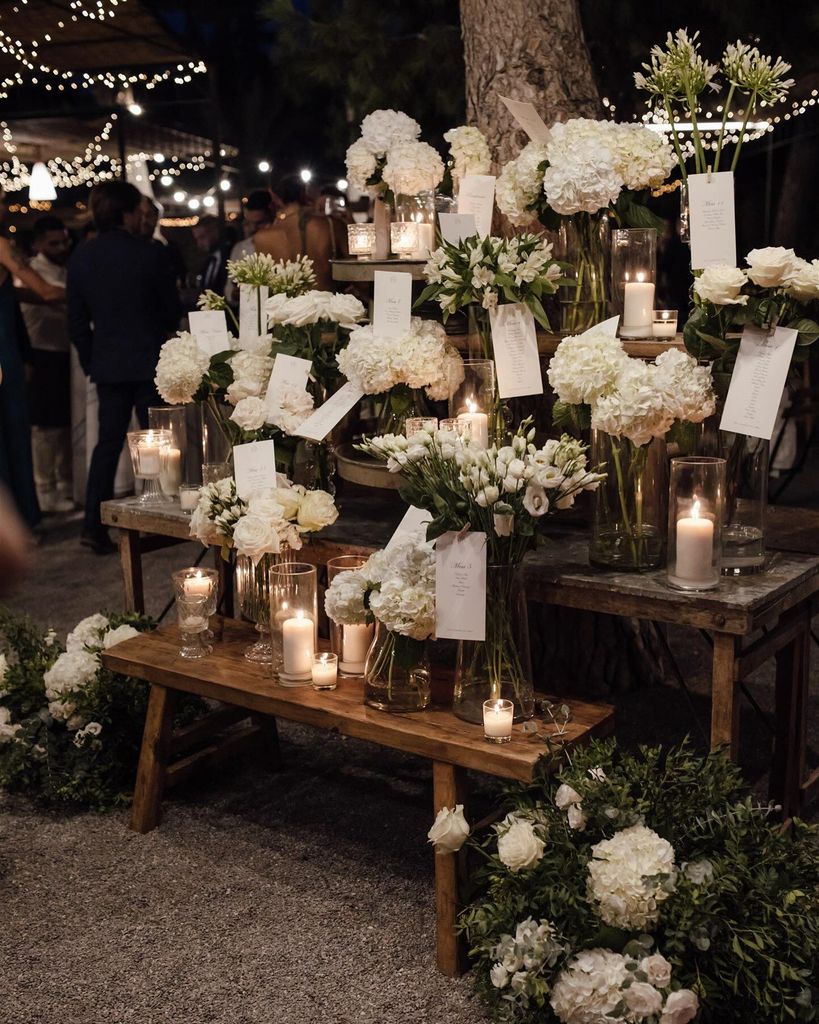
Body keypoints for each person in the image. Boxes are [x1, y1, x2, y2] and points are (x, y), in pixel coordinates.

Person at [68, 181, 181, 554]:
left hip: (108, 365)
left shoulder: (82, 256)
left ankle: (92, 527)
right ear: (127, 213)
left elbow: (77, 322)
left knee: (108, 445)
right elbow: (170, 310)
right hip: (149, 360)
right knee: (160, 444)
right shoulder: (148, 254)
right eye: (137, 212)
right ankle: (162, 522)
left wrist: (91, 361)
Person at [0, 190, 65, 531]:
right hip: (3, 351)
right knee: (12, 433)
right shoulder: (1, 245)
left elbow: (16, 292)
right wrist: (87, 292)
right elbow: (45, 290)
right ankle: (19, 520)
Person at [20, 215, 73, 514]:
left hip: (63, 352)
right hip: (40, 352)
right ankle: (45, 489)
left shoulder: (65, 269)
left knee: (63, 423)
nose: (61, 247)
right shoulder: (32, 271)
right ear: (38, 243)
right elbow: (48, 296)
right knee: (45, 427)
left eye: (64, 241)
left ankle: (65, 482)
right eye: (53, 242)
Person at [253, 175, 346, 290]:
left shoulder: (262, 237)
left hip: (284, 306)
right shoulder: (331, 225)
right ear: (304, 190)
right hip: (328, 304)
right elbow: (357, 275)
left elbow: (261, 287)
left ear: (272, 193)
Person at [224, 190, 275, 306]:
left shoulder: (281, 244)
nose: (253, 229)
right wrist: (234, 293)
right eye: (249, 223)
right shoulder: (240, 248)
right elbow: (228, 290)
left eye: (259, 223)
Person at [139, 195, 186, 288]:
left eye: (148, 215)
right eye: (140, 215)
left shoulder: (169, 249)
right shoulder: (126, 249)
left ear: (157, 218)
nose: (144, 220)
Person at [193, 214, 232, 296]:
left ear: (216, 232)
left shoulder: (231, 256)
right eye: (197, 239)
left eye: (202, 237)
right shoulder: (208, 261)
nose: (199, 244)